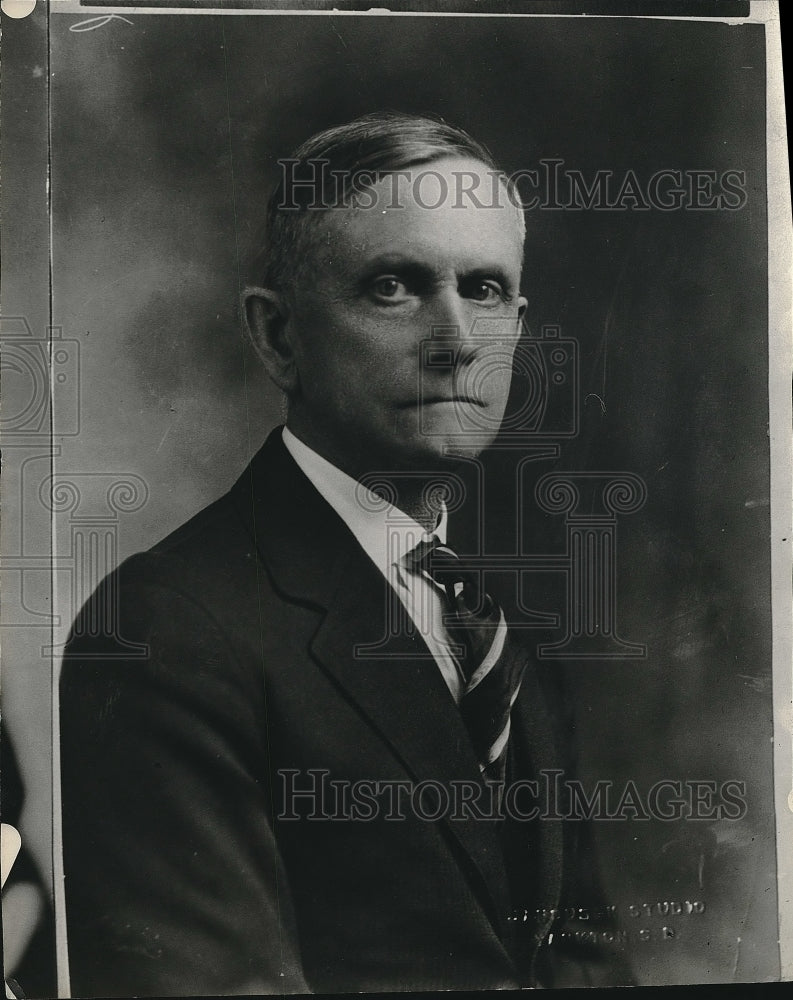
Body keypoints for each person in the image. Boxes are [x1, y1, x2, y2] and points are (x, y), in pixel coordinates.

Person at [59, 112, 631, 996]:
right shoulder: (160, 633)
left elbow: (586, 966)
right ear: (278, 338)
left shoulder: (495, 628)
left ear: (517, 324)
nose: (456, 341)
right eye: (393, 286)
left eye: (483, 289)